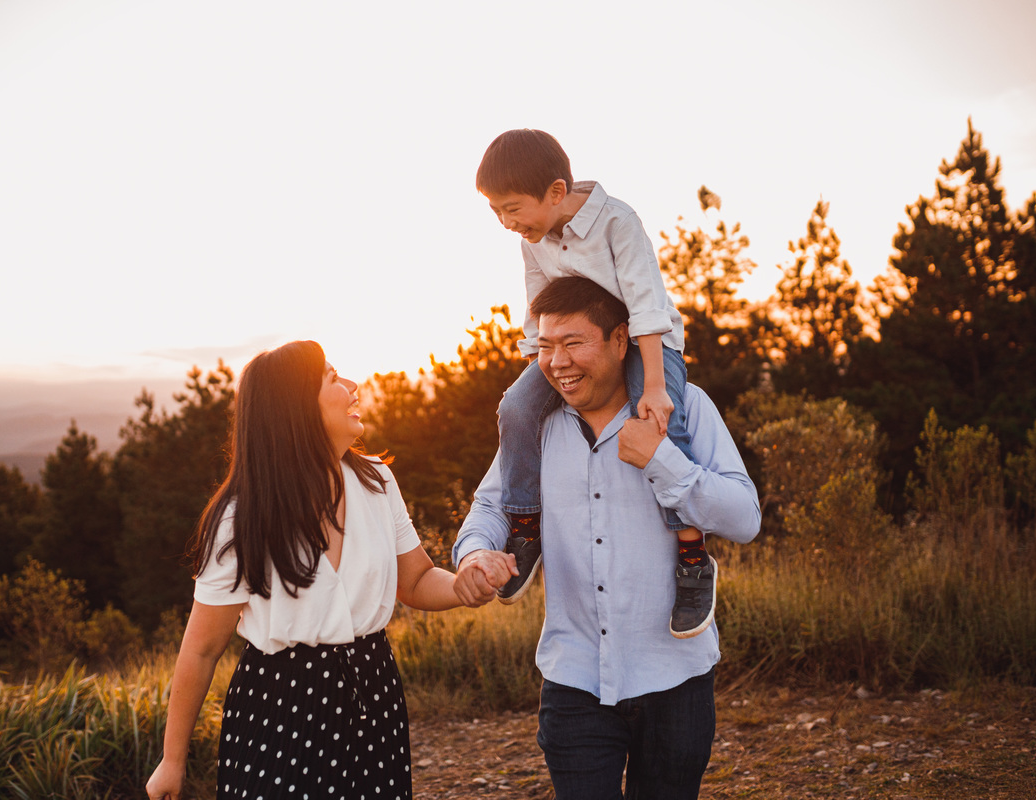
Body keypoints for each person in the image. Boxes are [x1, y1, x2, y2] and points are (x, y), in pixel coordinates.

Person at [145, 341, 517, 800]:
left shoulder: (377, 482)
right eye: (333, 378)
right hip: (278, 709)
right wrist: (172, 760)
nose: (353, 386)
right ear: (296, 409)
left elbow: (417, 580)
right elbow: (201, 650)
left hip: (373, 692)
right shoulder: (242, 519)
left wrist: (462, 586)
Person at [452, 277, 761, 799]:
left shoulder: (685, 410)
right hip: (573, 679)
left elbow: (745, 517)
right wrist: (477, 550)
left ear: (622, 340)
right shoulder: (535, 427)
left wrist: (663, 461)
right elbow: (491, 505)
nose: (557, 362)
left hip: (676, 677)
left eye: (574, 343)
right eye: (546, 347)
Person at [476, 129, 714, 638]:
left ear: (556, 193)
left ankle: (692, 554)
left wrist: (653, 386)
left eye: (513, 208)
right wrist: (532, 370)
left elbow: (647, 305)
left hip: (648, 340)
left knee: (660, 422)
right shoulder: (532, 240)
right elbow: (537, 307)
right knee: (515, 407)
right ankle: (525, 525)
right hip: (577, 346)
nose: (506, 222)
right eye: (496, 211)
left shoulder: (616, 221)